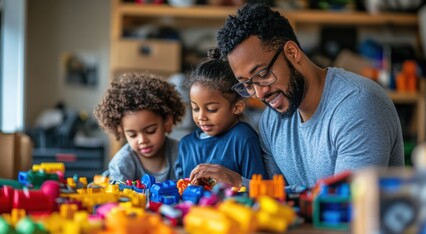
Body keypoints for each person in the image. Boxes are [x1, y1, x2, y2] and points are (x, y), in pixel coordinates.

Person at [194, 4, 404, 188]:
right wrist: (237, 184)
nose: (259, 93)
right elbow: (278, 199)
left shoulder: (358, 105)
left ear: (292, 53)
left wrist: (243, 184)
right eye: (247, 84)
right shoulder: (272, 120)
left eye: (263, 74)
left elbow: (348, 207)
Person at [175, 48, 268, 188]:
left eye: (212, 109)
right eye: (195, 108)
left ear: (237, 107)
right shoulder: (186, 145)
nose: (201, 117)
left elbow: (259, 189)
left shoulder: (244, 139)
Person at [94, 72, 185, 182]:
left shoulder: (183, 153)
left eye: (151, 131)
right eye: (132, 135)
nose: (142, 140)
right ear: (121, 131)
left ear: (167, 123)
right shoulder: (121, 164)